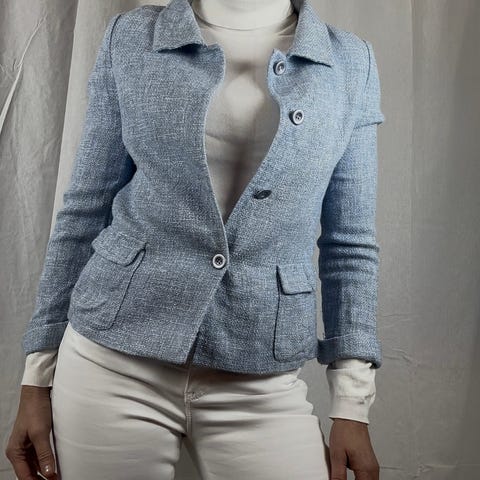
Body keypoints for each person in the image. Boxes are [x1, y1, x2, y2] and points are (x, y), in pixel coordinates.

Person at [6, 0, 384, 478]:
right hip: (111, 360)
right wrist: (37, 377)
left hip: (257, 374)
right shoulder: (133, 37)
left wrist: (352, 403)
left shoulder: (350, 61)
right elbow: (86, 208)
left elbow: (349, 244)